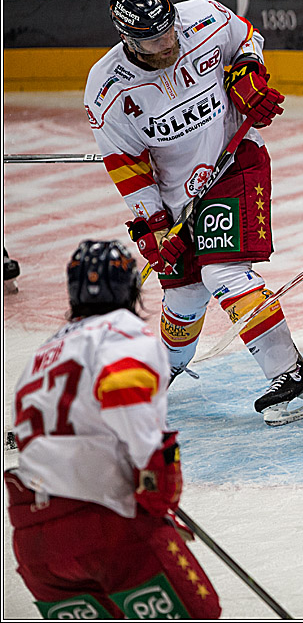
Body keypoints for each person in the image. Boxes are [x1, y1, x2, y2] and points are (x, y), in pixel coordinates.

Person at [84, 0, 303, 426]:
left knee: (222, 271)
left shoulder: (203, 17)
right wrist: (154, 225)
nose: (168, 41)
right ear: (129, 41)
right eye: (154, 38)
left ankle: (291, 376)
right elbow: (127, 165)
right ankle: (164, 368)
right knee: (185, 294)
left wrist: (247, 73)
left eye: (168, 29)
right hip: (176, 195)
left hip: (233, 162)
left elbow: (246, 39)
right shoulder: (107, 90)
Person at [6, 240, 221, 619]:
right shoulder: (124, 335)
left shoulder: (43, 354)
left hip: (35, 541)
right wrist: (158, 493)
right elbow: (133, 414)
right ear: (132, 288)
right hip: (107, 529)